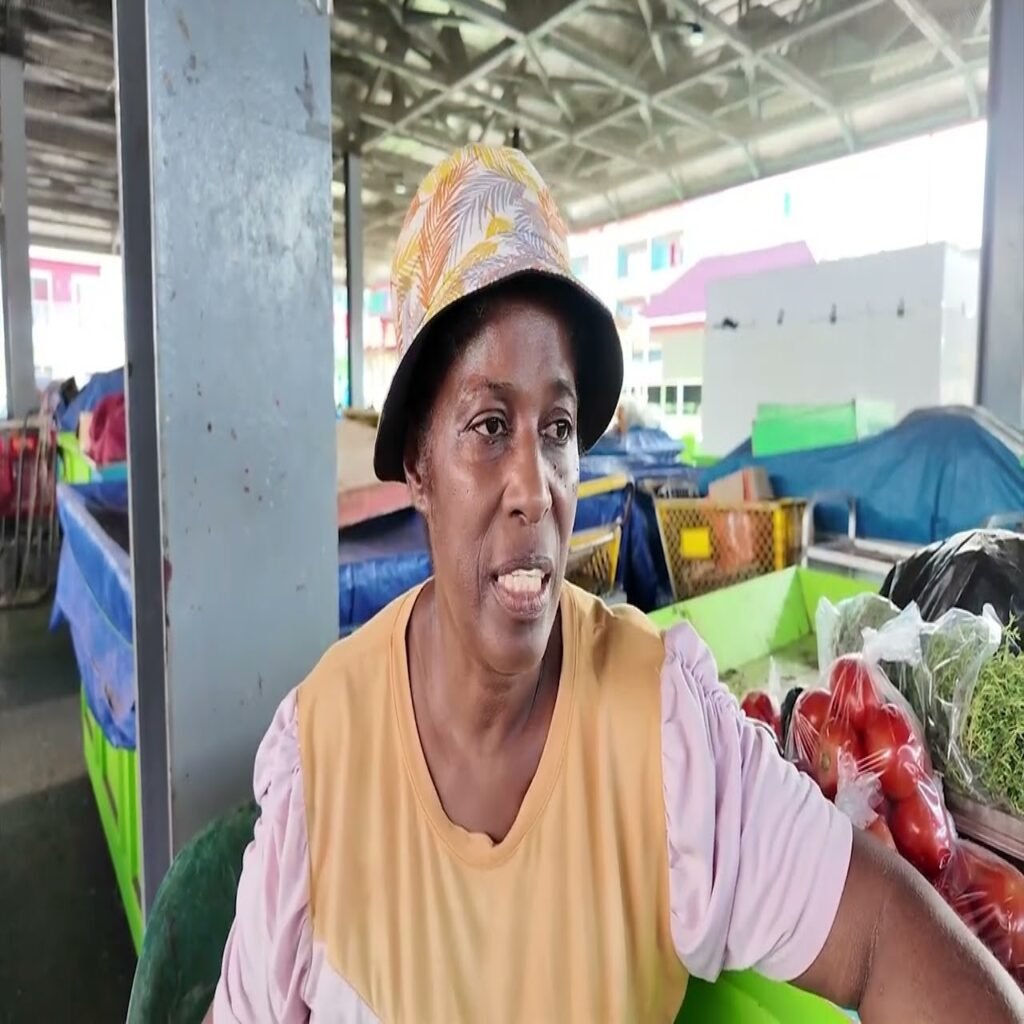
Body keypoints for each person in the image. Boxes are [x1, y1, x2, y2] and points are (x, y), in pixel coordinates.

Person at [208, 145, 1023, 1023]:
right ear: (417, 463)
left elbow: (880, 934)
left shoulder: (664, 730)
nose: (536, 489)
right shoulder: (323, 752)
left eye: (556, 428)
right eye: (489, 426)